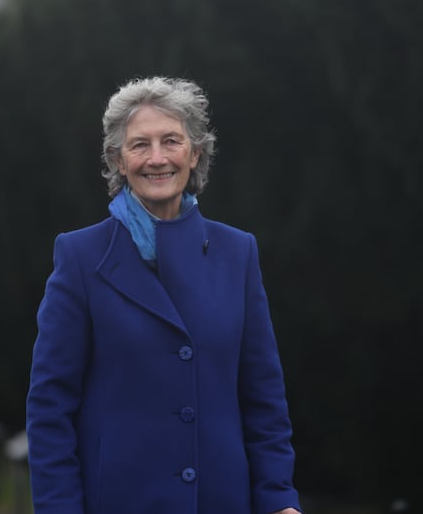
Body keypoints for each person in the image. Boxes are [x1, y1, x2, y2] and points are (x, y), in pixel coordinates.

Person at [26, 76, 302, 514]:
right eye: (139, 145)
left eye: (171, 141)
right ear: (117, 160)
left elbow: (263, 399)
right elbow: (49, 407)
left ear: (194, 154)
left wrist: (278, 499)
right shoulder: (80, 256)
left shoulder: (237, 253)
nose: (156, 158)